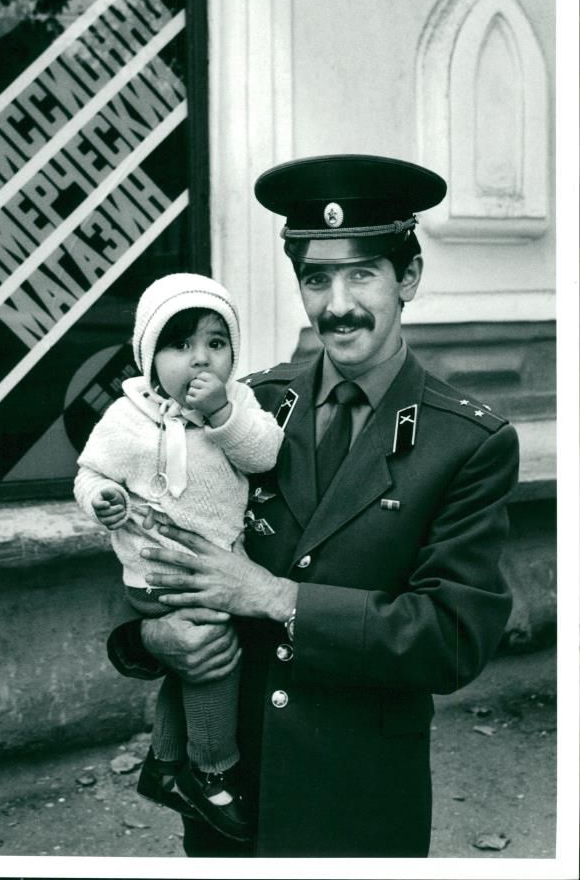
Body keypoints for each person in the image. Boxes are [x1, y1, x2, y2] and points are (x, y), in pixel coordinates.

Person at [105, 155, 519, 857]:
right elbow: (154, 537)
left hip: (355, 801)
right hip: (231, 797)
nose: (338, 304)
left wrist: (275, 596)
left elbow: (453, 639)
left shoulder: (467, 442)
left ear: (408, 278)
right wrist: (149, 639)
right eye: (316, 278)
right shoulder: (250, 407)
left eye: (363, 273)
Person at [74, 272, 283, 841]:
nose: (200, 360)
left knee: (189, 664)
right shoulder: (128, 417)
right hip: (155, 574)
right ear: (149, 354)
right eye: (180, 344)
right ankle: (214, 772)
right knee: (215, 655)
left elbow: (265, 455)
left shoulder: (237, 402)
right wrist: (104, 500)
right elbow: (90, 472)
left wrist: (221, 413)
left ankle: (166, 765)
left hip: (219, 567)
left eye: (216, 343)